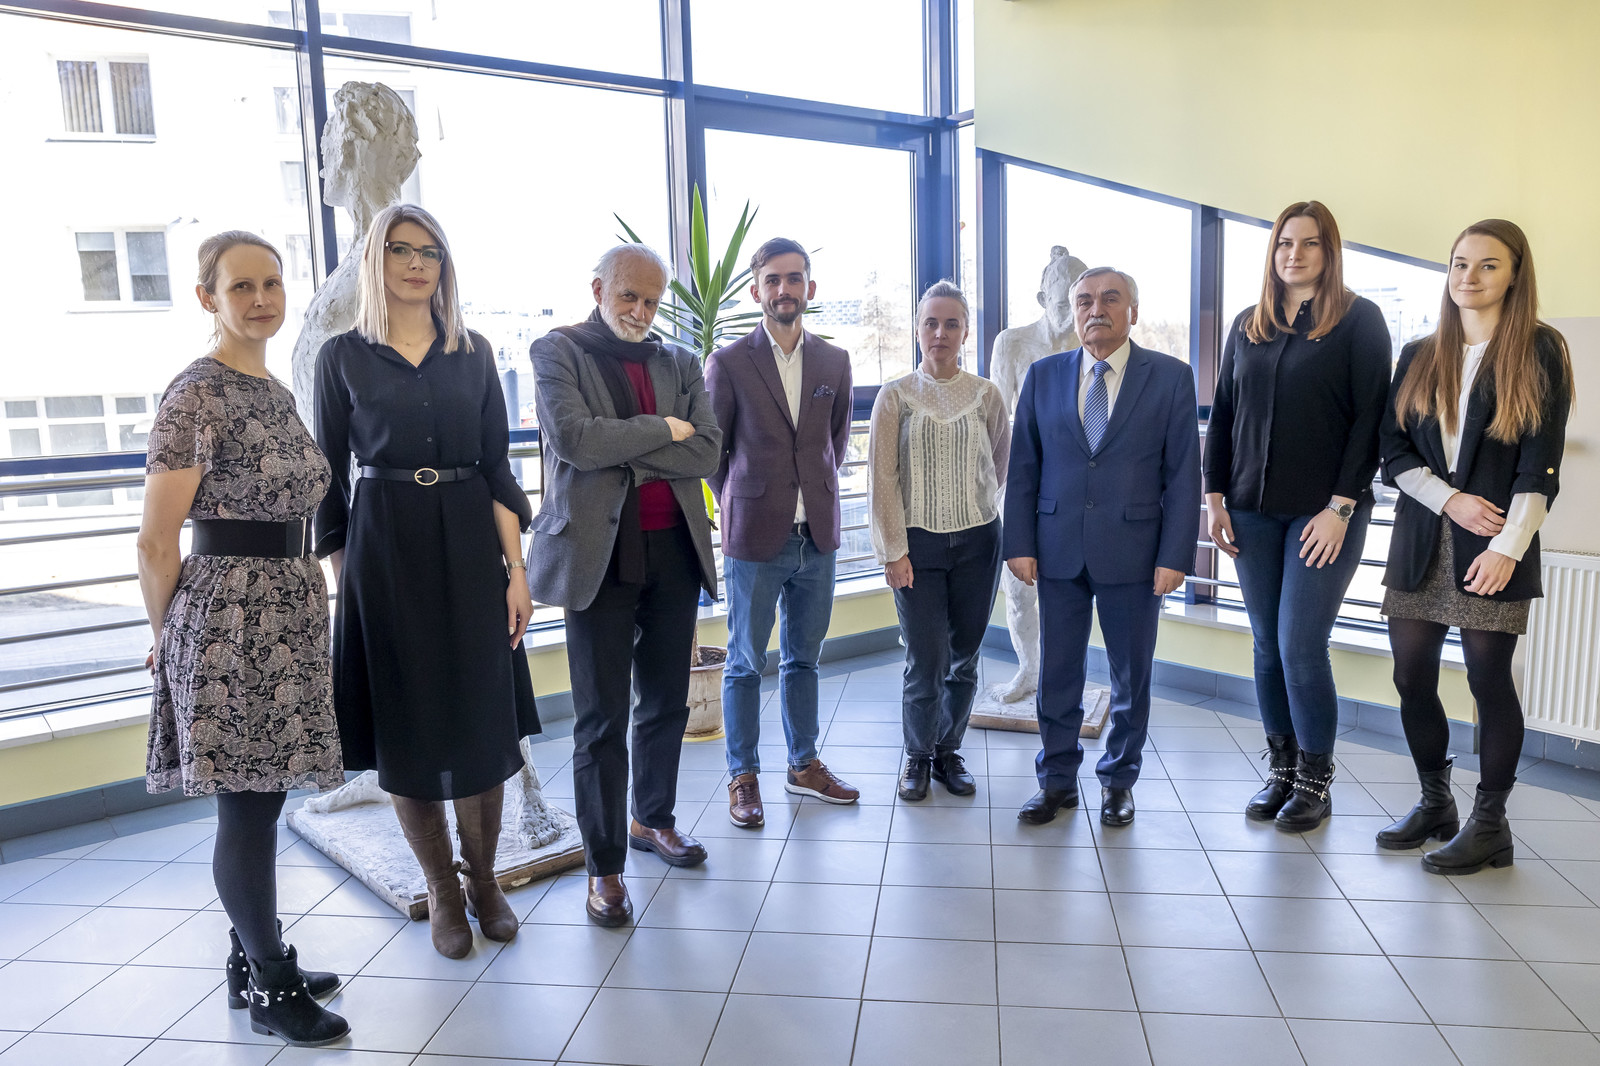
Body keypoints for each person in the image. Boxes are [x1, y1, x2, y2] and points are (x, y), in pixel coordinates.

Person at [138, 231, 348, 1046]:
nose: (261, 300)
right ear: (208, 298)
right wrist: (170, 641)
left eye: (272, 283)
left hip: (288, 606)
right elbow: (157, 541)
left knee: (263, 798)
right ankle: (271, 982)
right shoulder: (195, 394)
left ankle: (249, 956)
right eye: (241, 287)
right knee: (250, 808)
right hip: (229, 620)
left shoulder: (272, 389)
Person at [314, 204, 538, 959]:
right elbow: (328, 482)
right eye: (401, 250)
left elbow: (497, 469)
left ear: (445, 266)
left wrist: (516, 573)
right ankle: (442, 888)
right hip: (383, 551)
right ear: (375, 261)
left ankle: (485, 881)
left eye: (431, 252)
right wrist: (349, 581)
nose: (417, 263)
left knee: (482, 720)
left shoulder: (473, 353)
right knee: (406, 731)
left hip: (471, 542)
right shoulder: (341, 357)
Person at [526, 243, 722, 926]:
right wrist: (664, 430)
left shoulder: (680, 362)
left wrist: (629, 445)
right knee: (601, 719)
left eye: (651, 300)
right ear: (598, 290)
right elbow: (577, 442)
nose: (640, 311)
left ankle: (652, 820)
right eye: (628, 296)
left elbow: (708, 448)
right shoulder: (557, 352)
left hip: (675, 551)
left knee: (666, 701)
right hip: (598, 557)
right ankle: (603, 866)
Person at [1377, 219, 1573, 874]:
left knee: (1488, 680)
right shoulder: (1418, 353)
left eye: (1489, 265)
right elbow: (1392, 451)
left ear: (1515, 275)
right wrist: (1449, 500)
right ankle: (1436, 803)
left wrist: (1509, 548)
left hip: (1494, 546)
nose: (1470, 276)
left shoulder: (1540, 349)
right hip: (1420, 540)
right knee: (1410, 677)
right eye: (1460, 263)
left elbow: (1540, 466)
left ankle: (1490, 825)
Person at [1203, 201, 1392, 832]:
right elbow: (1224, 413)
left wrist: (1341, 506)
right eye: (1286, 242)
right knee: (1265, 645)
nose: (1295, 254)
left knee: (1300, 645)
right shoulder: (1248, 324)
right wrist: (1214, 498)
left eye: (1310, 243)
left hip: (1326, 515)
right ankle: (1281, 769)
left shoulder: (1359, 320)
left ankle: (1315, 780)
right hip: (1250, 512)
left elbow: (1371, 422)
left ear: (1328, 252)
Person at [1004, 267, 1201, 827]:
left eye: (1110, 299)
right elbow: (1023, 467)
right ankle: (1056, 781)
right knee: (1056, 673)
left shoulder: (1170, 377)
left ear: (1132, 311)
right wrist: (1019, 542)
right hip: (1057, 548)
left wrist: (1174, 555)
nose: (1096, 309)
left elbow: (1183, 475)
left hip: (1135, 553)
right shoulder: (1043, 376)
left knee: (1130, 677)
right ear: (1073, 312)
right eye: (1085, 300)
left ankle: (1118, 781)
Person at [705, 237, 859, 828]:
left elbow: (834, 443)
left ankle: (803, 765)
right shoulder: (728, 363)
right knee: (745, 660)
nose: (784, 289)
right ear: (756, 290)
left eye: (794, 278)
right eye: (772, 279)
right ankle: (742, 776)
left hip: (816, 535)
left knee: (804, 659)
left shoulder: (833, 362)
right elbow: (714, 453)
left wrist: (809, 492)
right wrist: (741, 499)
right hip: (754, 537)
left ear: (809, 288)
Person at [870, 280, 1010, 800]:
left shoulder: (986, 395)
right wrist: (893, 550)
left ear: (966, 332)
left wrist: (973, 506)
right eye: (931, 322)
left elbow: (999, 461)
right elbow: (883, 478)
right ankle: (918, 756)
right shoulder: (895, 395)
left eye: (952, 323)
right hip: (917, 547)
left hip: (979, 543)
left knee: (964, 656)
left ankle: (949, 751)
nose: (941, 332)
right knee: (925, 660)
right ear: (917, 329)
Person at [987, 246, 1087, 704]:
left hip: (1075, 487)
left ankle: (1060, 680)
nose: (1071, 313)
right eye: (1063, 303)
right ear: (1042, 299)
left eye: (1078, 300)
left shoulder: (1093, 347)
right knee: (1018, 588)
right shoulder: (1012, 344)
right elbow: (996, 420)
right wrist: (995, 490)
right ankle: (1029, 671)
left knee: (1069, 588)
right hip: (1020, 482)